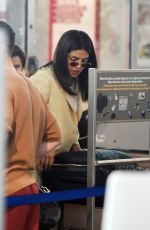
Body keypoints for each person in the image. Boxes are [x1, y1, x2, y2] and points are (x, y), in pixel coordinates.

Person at [0, 20, 61, 230]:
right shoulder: (29, 85)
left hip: (7, 193)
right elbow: (55, 136)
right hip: (29, 188)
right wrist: (26, 152)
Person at [30, 30, 97, 155]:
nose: (78, 67)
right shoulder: (44, 79)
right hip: (37, 161)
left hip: (60, 158)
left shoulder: (74, 82)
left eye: (84, 62)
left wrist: (74, 142)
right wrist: (44, 145)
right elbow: (25, 118)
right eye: (74, 60)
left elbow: (72, 121)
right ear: (62, 56)